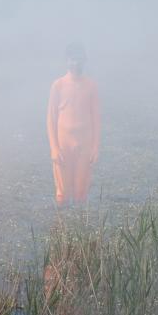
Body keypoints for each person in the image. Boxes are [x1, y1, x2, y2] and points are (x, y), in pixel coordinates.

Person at [46, 42, 101, 207]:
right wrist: (54, 148)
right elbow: (51, 119)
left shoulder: (91, 86)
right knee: (62, 194)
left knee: (81, 193)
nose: (76, 63)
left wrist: (95, 148)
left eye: (79, 59)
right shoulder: (58, 85)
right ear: (66, 60)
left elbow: (96, 119)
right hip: (63, 146)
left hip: (85, 146)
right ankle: (61, 221)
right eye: (72, 59)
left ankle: (80, 222)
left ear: (85, 60)